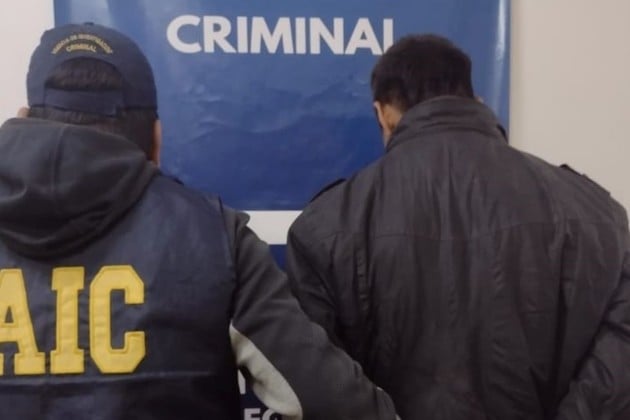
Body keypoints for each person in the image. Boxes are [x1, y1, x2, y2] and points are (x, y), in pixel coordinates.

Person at [0, 23, 398, 420]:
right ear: (156, 140)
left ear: (24, 117)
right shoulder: (214, 238)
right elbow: (336, 406)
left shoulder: (218, 239)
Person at [286, 34, 630, 420]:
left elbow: (319, 389)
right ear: (476, 100)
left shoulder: (324, 226)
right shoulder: (597, 213)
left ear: (383, 114)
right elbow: (617, 367)